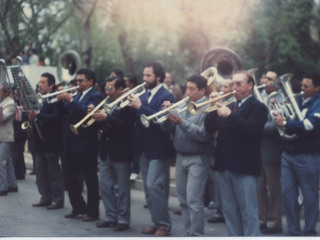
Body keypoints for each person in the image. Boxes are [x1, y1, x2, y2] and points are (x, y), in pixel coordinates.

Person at [205, 71, 268, 236]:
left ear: (250, 86)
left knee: (249, 211)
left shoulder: (258, 107)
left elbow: (252, 131)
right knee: (229, 211)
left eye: (239, 84)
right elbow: (210, 127)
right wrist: (213, 107)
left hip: (244, 166)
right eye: (233, 83)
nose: (234, 87)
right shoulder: (229, 104)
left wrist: (230, 115)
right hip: (224, 164)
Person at [161, 75, 215, 236]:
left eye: (192, 89)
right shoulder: (183, 104)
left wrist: (180, 122)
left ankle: (196, 234)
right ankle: (188, 233)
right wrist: (166, 116)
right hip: (180, 156)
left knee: (194, 201)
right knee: (183, 201)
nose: (187, 92)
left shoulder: (207, 107)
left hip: (198, 158)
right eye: (187, 88)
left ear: (203, 90)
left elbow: (202, 134)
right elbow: (166, 130)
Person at [128, 62, 174, 236]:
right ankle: (155, 222)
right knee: (148, 189)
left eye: (148, 75)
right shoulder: (144, 93)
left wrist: (140, 106)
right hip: (144, 148)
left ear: (158, 77)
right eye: (144, 75)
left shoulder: (166, 95)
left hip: (159, 148)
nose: (144, 79)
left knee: (154, 186)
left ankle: (164, 224)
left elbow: (159, 119)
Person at [273, 71, 320, 236]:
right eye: (301, 85)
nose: (301, 88)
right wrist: (276, 111)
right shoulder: (298, 99)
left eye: (306, 86)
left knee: (309, 195)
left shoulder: (319, 103)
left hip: (307, 155)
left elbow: (309, 125)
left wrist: (285, 122)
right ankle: (293, 231)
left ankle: (309, 231)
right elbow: (289, 120)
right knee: (287, 194)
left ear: (317, 88)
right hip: (288, 153)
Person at [57, 68, 104, 222]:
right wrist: (60, 101)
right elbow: (67, 113)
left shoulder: (96, 96)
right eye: (76, 81)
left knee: (90, 180)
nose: (77, 83)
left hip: (86, 143)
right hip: (71, 142)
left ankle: (92, 212)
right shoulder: (77, 95)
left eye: (80, 81)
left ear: (90, 82)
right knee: (69, 177)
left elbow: (87, 113)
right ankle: (78, 207)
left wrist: (71, 100)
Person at [92, 76, 136, 232]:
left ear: (119, 90)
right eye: (106, 88)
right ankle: (111, 216)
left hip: (121, 151)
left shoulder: (128, 105)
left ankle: (123, 219)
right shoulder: (106, 103)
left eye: (110, 88)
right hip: (106, 151)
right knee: (105, 186)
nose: (107, 91)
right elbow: (102, 127)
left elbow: (126, 127)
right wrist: (96, 118)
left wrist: (107, 117)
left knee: (123, 188)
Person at [28, 73, 64, 210]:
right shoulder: (39, 98)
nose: (40, 84)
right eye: (39, 82)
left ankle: (57, 199)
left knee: (53, 172)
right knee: (40, 171)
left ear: (51, 85)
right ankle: (45, 197)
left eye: (43, 82)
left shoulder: (55, 98)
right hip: (39, 140)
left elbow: (56, 118)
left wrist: (38, 115)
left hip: (51, 140)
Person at [257, 71, 283, 234]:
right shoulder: (258, 96)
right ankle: (262, 219)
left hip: (272, 150)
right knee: (259, 188)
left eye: (270, 79)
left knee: (273, 189)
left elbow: (275, 125)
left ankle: (274, 223)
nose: (266, 81)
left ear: (277, 83)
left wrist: (255, 127)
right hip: (257, 150)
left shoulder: (280, 99)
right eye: (265, 78)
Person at [207, 79, 234, 224]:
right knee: (219, 180)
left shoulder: (234, 103)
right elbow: (211, 126)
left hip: (233, 148)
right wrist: (212, 106)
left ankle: (228, 211)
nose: (222, 89)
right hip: (220, 146)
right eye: (221, 86)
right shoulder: (219, 101)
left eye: (225, 86)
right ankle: (219, 209)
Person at [0, 82, 18, 196]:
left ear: (6, 92)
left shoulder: (10, 103)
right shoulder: (3, 101)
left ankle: (3, 187)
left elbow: (2, 118)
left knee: (1, 161)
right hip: (2, 136)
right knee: (8, 162)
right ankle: (13, 184)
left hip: (6, 136)